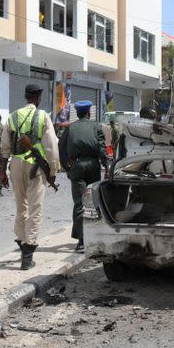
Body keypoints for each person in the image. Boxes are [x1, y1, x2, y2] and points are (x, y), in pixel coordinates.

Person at [0, 84, 60, 270]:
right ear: (38, 98)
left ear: (26, 97)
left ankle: (21, 239)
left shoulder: (12, 116)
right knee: (35, 208)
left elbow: (4, 147)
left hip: (16, 164)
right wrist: (53, 170)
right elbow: (51, 147)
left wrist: (2, 171)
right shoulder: (43, 116)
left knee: (21, 205)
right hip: (35, 165)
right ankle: (28, 253)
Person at [59, 101, 108, 253]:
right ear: (89, 113)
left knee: (80, 203)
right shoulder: (96, 126)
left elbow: (61, 149)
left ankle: (81, 241)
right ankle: (94, 237)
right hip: (93, 166)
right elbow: (101, 148)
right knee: (93, 202)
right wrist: (106, 166)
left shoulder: (70, 128)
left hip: (77, 166)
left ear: (77, 113)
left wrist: (66, 167)